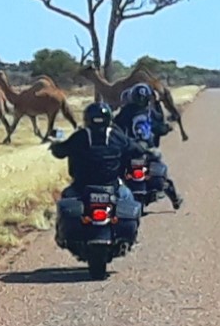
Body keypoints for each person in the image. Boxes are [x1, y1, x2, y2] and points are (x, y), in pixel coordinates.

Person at [49, 101, 150, 245]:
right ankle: (132, 238)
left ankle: (61, 237)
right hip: (112, 187)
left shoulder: (79, 137)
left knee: (65, 198)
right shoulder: (117, 136)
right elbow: (137, 150)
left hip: (81, 187)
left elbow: (60, 152)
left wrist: (55, 145)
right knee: (129, 198)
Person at [114, 83, 183, 210]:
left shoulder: (125, 112)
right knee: (163, 175)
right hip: (148, 151)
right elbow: (160, 127)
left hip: (129, 150)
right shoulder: (151, 112)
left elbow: (114, 127)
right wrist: (167, 128)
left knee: (116, 172)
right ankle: (175, 198)